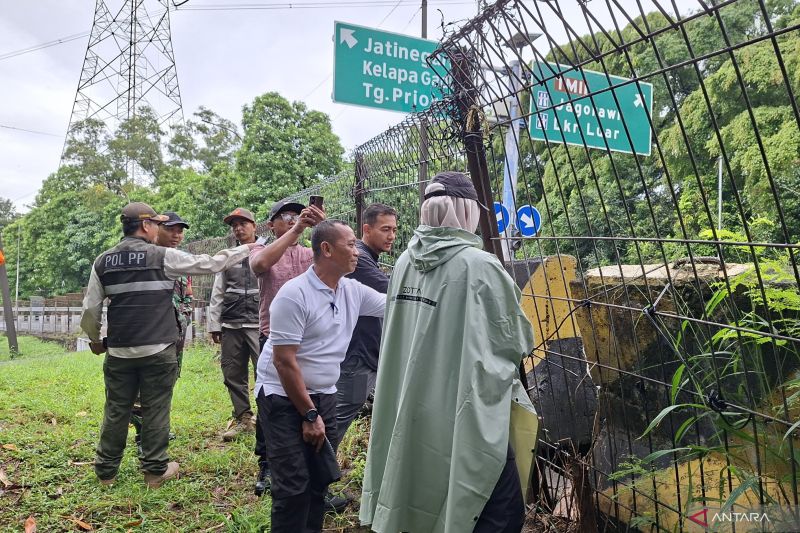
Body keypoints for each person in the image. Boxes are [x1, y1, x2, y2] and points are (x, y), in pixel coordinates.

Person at [360, 172, 539, 533]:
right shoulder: (480, 265)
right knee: (497, 508)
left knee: (423, 481)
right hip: (465, 406)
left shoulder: (405, 262)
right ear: (466, 210)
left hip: (412, 402)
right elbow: (518, 340)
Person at [80, 202, 258, 489]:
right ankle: (154, 471)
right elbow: (210, 263)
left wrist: (95, 339)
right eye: (157, 224)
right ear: (147, 226)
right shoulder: (162, 256)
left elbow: (90, 309)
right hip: (158, 349)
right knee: (156, 409)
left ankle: (106, 473)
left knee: (116, 409)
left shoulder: (103, 261)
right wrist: (247, 249)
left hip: (119, 351)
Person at [255, 219, 386, 533]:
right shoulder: (293, 295)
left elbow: (395, 305)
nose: (357, 252)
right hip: (282, 394)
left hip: (324, 391)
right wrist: (309, 414)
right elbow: (284, 362)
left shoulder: (351, 290)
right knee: (292, 485)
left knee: (317, 479)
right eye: (351, 244)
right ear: (326, 249)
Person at [248, 199, 324, 496]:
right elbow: (260, 265)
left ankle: (310, 466)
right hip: (275, 338)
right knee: (271, 403)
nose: (293, 220)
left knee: (307, 399)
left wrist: (322, 229)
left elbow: (336, 260)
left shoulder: (309, 253)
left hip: (309, 339)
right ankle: (267, 463)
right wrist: (298, 229)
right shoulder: (260, 249)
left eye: (297, 215)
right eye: (286, 217)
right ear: (272, 225)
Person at [332, 203, 397, 451]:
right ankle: (312, 482)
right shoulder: (358, 259)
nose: (391, 236)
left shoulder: (367, 257)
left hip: (364, 352)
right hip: (356, 355)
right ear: (366, 229)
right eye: (385, 229)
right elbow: (393, 292)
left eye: (394, 229)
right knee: (336, 420)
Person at [130, 211, 193, 453]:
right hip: (151, 331)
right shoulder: (147, 258)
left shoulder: (181, 259)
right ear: (156, 229)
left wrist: (184, 313)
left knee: (167, 381)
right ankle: (142, 435)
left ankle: (158, 428)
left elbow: (187, 292)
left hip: (176, 330)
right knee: (142, 386)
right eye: (171, 229)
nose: (177, 235)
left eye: (180, 230)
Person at [208, 208, 261, 441]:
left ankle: (267, 418)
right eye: (234, 225)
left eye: (243, 224)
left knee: (266, 372)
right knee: (232, 372)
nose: (238, 228)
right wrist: (214, 324)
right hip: (231, 323)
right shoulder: (227, 255)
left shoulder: (267, 251)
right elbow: (217, 291)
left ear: (254, 226)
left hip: (260, 323)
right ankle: (243, 419)